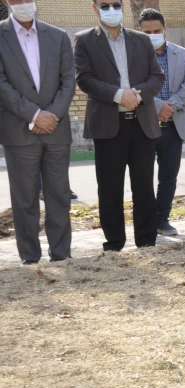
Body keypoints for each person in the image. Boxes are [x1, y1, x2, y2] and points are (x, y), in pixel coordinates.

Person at [74, 0, 165, 252]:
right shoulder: (83, 40)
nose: (111, 9)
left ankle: (146, 242)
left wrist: (138, 94)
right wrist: (118, 94)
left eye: (116, 4)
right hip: (108, 126)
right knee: (110, 189)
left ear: (123, 5)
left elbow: (157, 77)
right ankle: (114, 245)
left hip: (141, 124)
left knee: (144, 187)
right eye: (105, 5)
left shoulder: (141, 40)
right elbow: (84, 79)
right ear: (94, 8)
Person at [0, 0, 75, 265]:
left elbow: (68, 80)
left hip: (56, 128)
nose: (23, 4)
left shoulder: (57, 36)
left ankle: (61, 254)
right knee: (25, 199)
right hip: (19, 131)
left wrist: (51, 115)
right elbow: (2, 84)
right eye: (17, 0)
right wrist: (34, 115)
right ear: (7, 2)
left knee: (59, 195)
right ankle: (30, 257)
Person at [138, 8, 185, 237]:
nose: (153, 34)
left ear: (165, 30)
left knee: (168, 175)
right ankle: (146, 221)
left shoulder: (181, 54)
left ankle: (162, 219)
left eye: (157, 30)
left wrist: (170, 106)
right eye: (147, 32)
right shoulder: (135, 56)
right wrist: (157, 107)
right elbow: (134, 86)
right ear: (140, 32)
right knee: (142, 176)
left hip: (174, 123)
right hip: (143, 124)